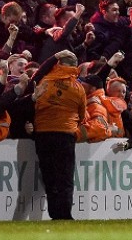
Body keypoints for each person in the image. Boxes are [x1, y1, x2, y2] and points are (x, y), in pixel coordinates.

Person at [29, 49, 86, 220]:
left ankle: (54, 214)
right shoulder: (78, 88)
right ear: (75, 67)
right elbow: (82, 115)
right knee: (65, 177)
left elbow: (35, 78)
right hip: (65, 134)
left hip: (43, 133)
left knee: (49, 176)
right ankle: (65, 215)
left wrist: (54, 56)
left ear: (58, 64)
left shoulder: (44, 80)